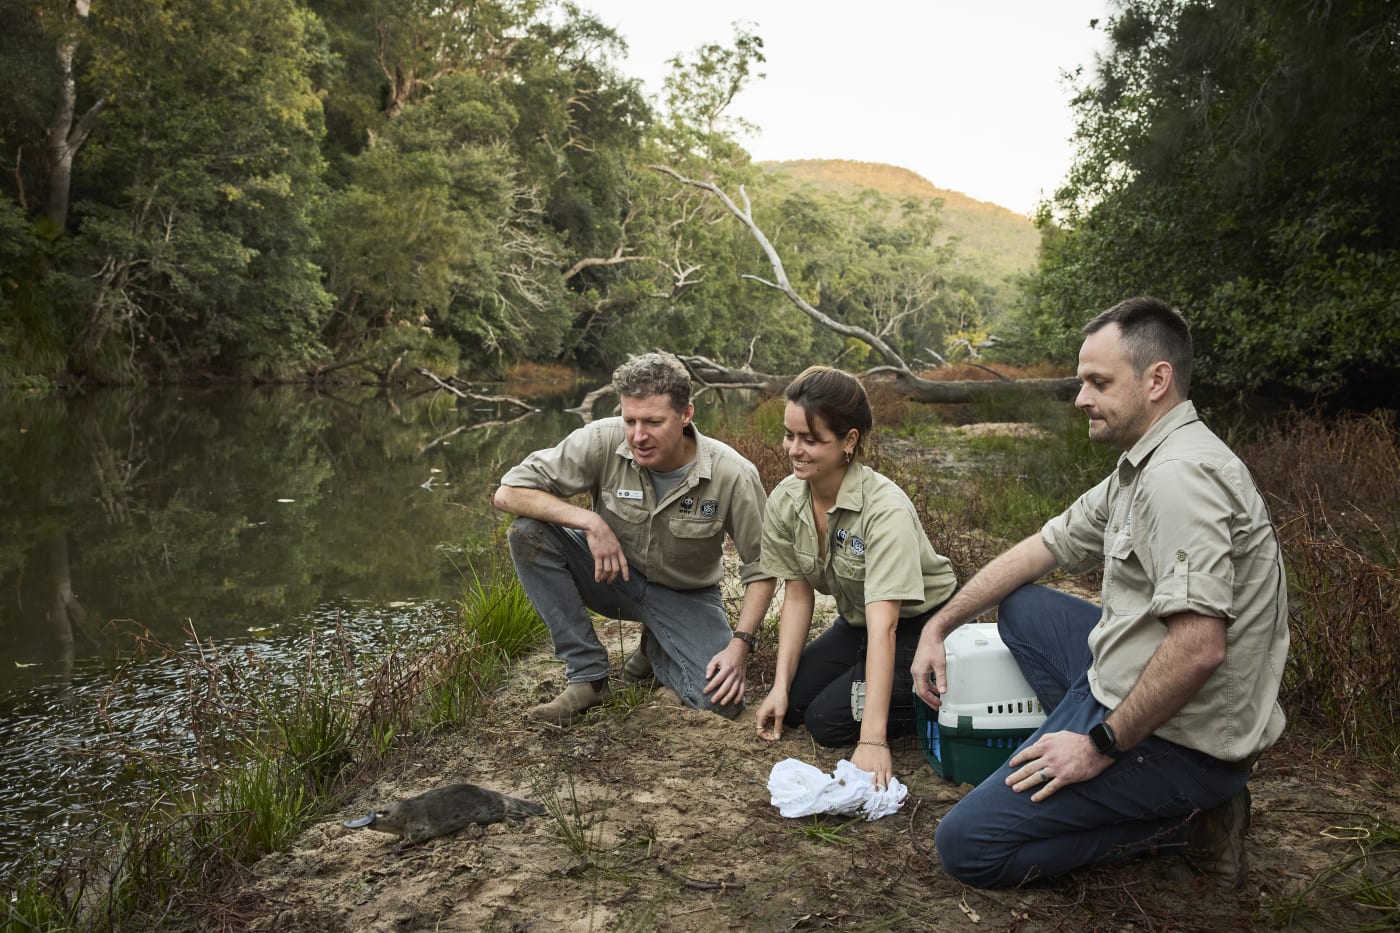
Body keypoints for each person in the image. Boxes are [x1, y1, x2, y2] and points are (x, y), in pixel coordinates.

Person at [911, 297, 1289, 889]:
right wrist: (941, 625)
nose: (1080, 397)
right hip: (1132, 681)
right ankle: (1088, 731)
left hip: (1186, 741)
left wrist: (1098, 745)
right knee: (1023, 605)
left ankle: (1185, 825)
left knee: (967, 847)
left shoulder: (1179, 478)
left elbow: (1199, 649)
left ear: (1156, 380)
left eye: (1097, 382)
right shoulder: (1142, 464)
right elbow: (1042, 547)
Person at [493, 352, 776, 725]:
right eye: (630, 420)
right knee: (527, 533)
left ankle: (654, 649)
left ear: (686, 414)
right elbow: (507, 493)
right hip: (612, 578)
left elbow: (763, 569)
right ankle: (588, 677)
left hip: (686, 595)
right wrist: (591, 522)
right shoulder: (600, 439)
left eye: (654, 422)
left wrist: (740, 645)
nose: (639, 436)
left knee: (719, 704)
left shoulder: (734, 474)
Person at [755, 366, 958, 790]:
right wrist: (778, 686)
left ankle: (939, 694)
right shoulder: (786, 498)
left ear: (849, 441)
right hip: (859, 623)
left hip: (919, 625)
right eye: (789, 435)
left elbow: (886, 625)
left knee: (826, 722)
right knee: (793, 705)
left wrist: (873, 739)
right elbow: (796, 594)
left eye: (811, 440)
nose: (794, 449)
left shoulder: (885, 510)